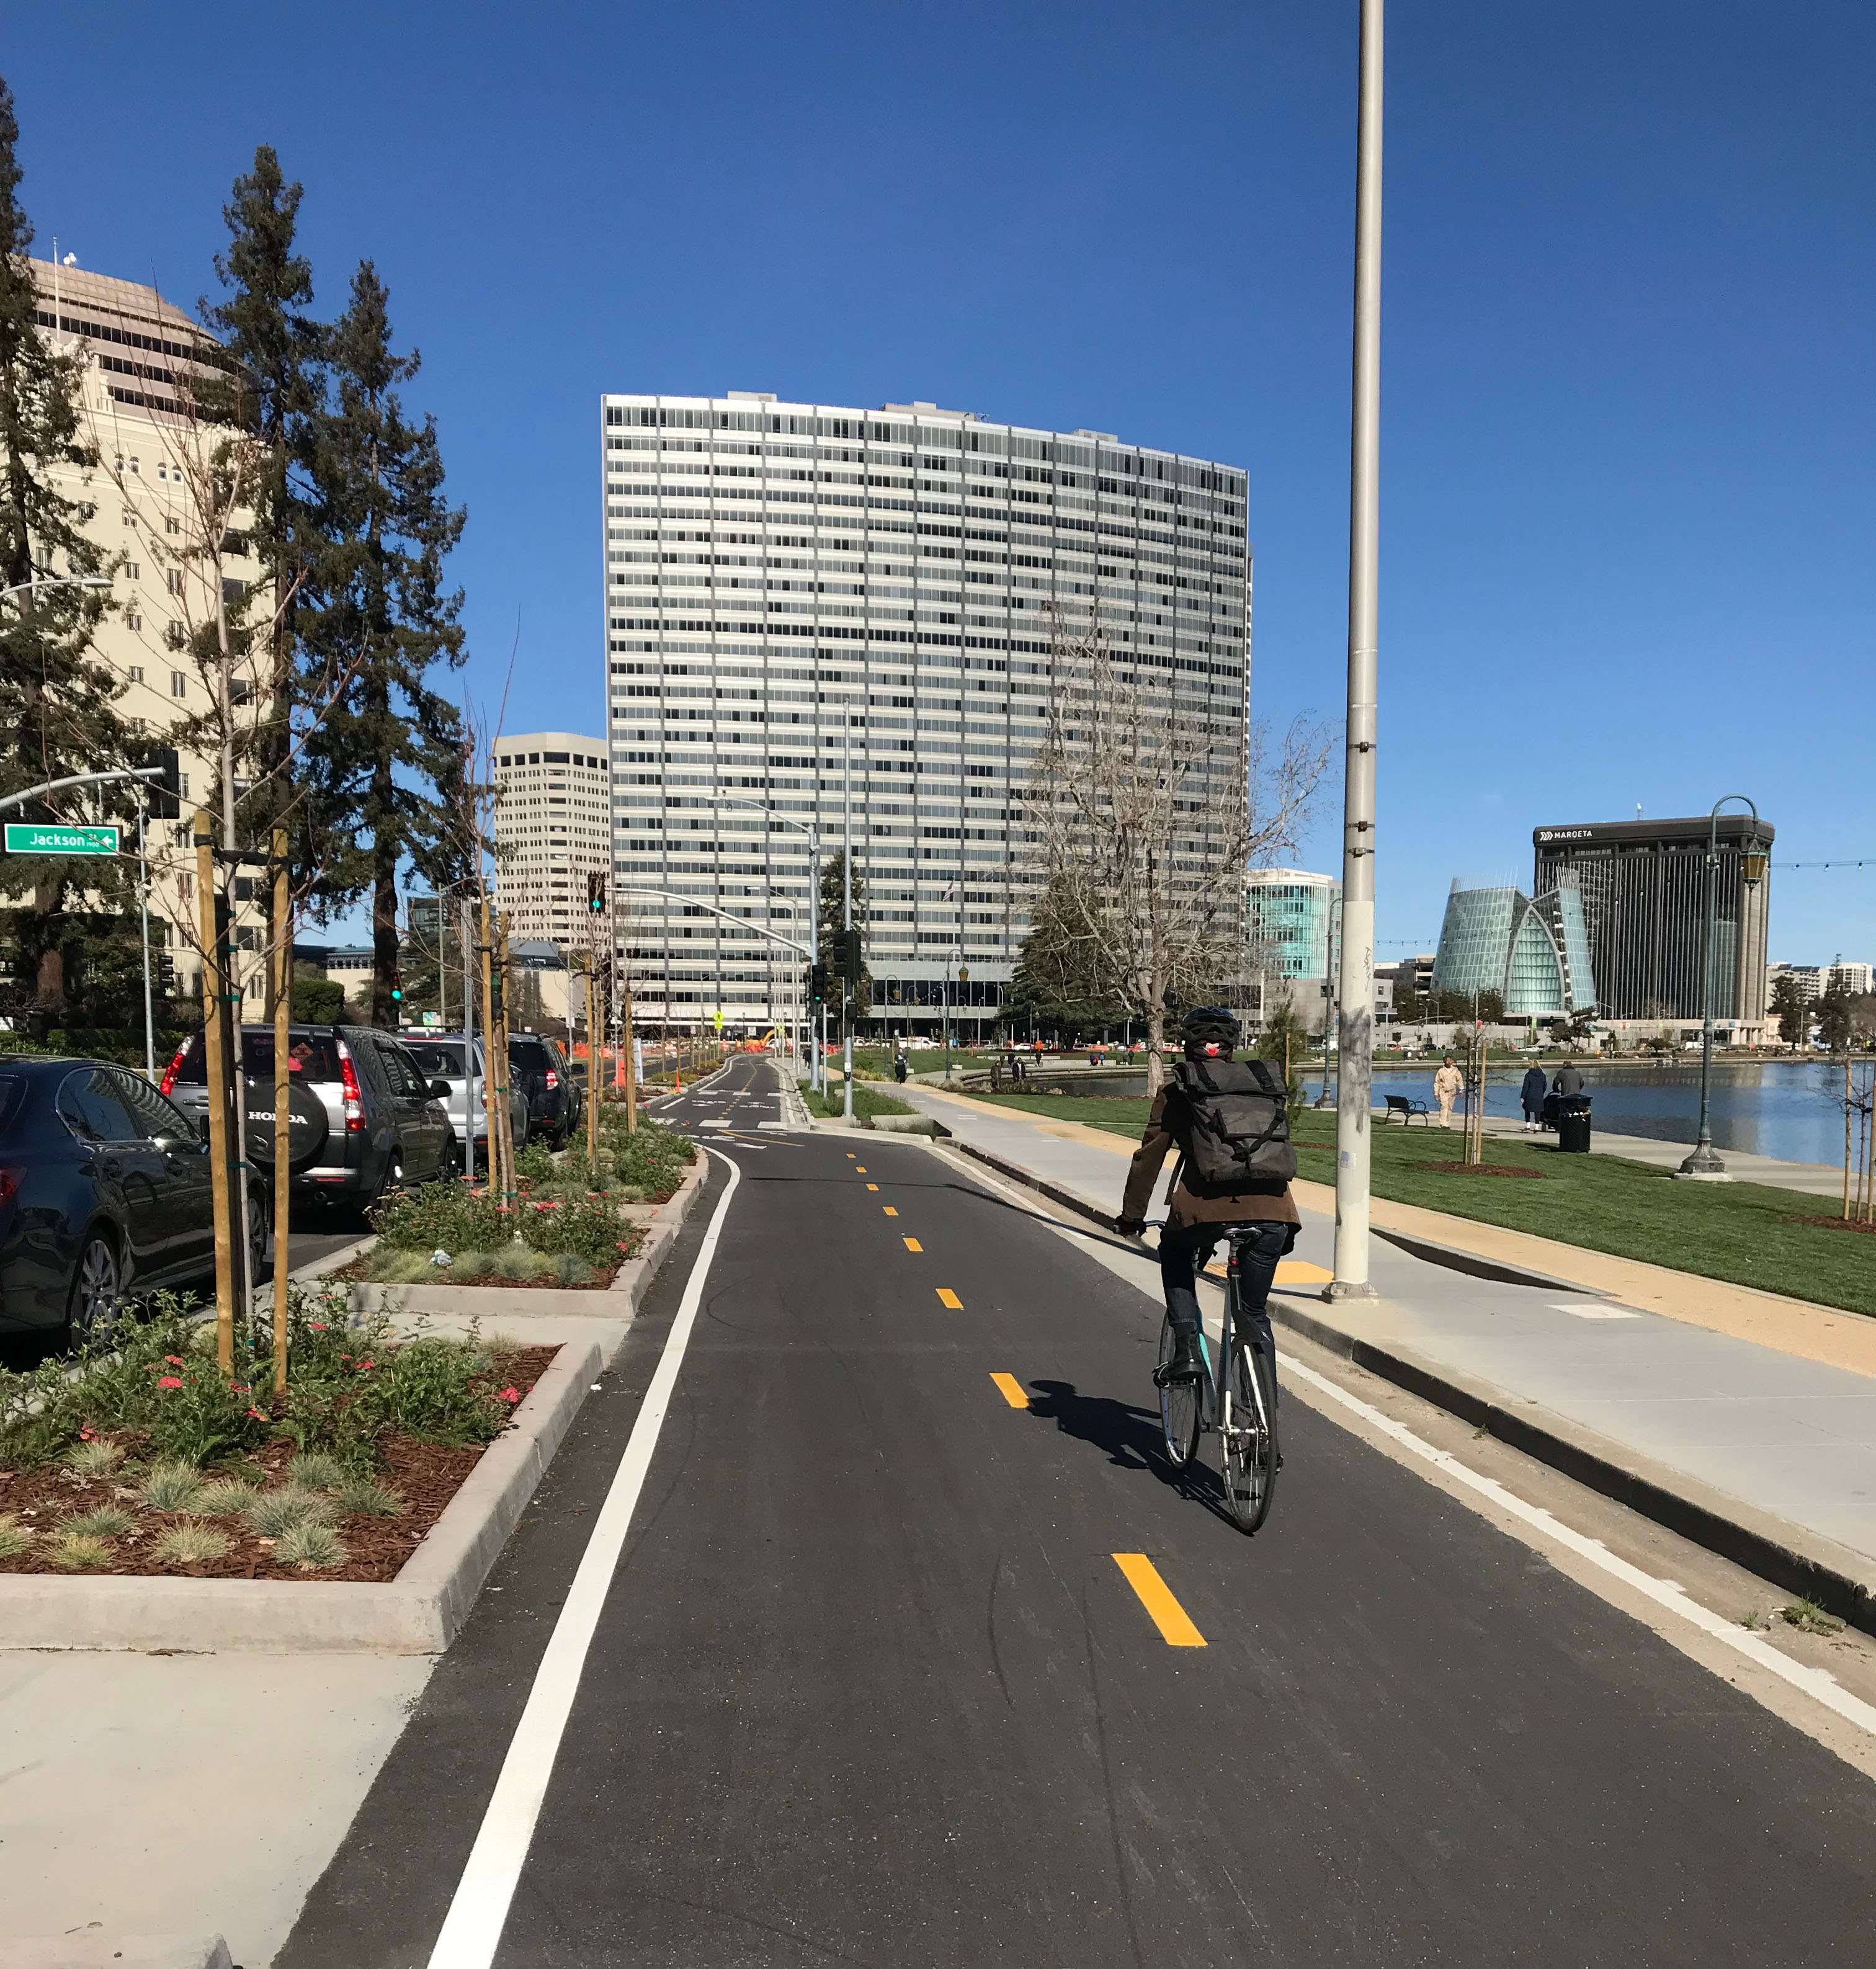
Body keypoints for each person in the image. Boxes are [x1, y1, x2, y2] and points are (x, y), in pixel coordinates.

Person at [1114, 1007, 1299, 1397]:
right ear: (1233, 1046)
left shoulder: (1180, 1090)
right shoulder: (1262, 1082)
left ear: (1187, 1045)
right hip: (1275, 1212)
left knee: (1175, 1255)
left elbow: (1149, 1159)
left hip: (1202, 1212)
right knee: (1253, 1313)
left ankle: (1187, 1353)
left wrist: (1132, 1217)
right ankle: (1262, 1410)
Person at [1433, 1054, 1464, 1128]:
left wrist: (1461, 1090)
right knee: (1444, 1106)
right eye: (1448, 1061)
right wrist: (1436, 1093)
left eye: (1450, 1061)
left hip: (1452, 1091)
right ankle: (1443, 1123)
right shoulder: (1441, 1071)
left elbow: (1459, 1080)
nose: (1449, 1062)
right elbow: (1437, 1082)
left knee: (1450, 1107)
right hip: (1443, 1091)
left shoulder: (1455, 1070)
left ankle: (1447, 1122)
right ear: (1445, 1062)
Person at [1520, 1061, 1548, 1132]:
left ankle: (1528, 1126)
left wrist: (1523, 1096)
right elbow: (1544, 1086)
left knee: (1527, 1110)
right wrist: (1541, 1092)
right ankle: (1536, 1127)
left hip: (1530, 1095)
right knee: (1538, 1111)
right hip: (1539, 1095)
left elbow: (1525, 1087)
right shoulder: (1543, 1075)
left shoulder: (1528, 1075)